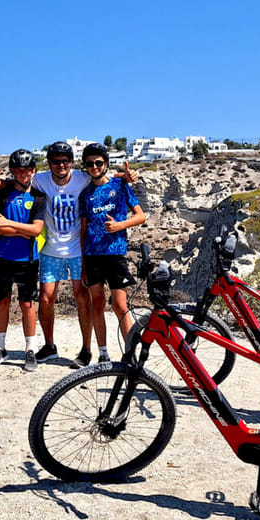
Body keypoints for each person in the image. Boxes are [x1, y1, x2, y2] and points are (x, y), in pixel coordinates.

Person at [0, 142, 136, 367]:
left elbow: (99, 173)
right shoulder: (41, 179)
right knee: (46, 298)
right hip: (51, 250)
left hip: (77, 249)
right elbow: (22, 178)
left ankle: (86, 350)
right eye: (56, 161)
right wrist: (0, 183)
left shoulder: (81, 178)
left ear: (71, 162)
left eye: (65, 161)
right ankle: (49, 346)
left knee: (82, 297)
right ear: (49, 164)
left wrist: (125, 176)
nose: (61, 165)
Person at [78, 142, 145, 367]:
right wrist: (83, 263)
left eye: (98, 163)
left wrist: (120, 226)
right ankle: (103, 353)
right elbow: (83, 230)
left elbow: (140, 216)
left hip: (115, 253)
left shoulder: (120, 184)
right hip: (93, 254)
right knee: (97, 303)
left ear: (105, 163)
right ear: (85, 166)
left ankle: (131, 354)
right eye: (90, 164)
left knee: (119, 304)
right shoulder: (85, 194)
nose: (94, 167)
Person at [0, 149, 46, 371]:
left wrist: (11, 227)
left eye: (28, 169)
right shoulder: (2, 194)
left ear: (33, 170)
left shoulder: (39, 197)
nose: (23, 174)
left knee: (27, 304)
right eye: (19, 170)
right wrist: (25, 230)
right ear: (13, 171)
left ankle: (30, 350)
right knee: (2, 301)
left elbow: (37, 230)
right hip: (3, 257)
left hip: (27, 259)